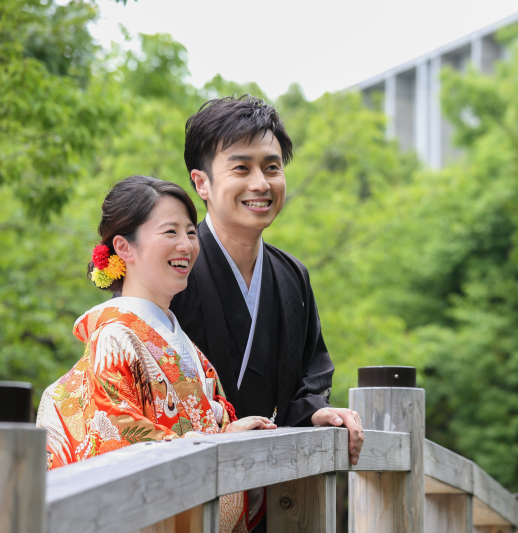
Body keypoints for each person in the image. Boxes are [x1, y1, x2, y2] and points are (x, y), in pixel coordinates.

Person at [36, 175, 272, 533]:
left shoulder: (184, 346)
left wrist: (232, 432)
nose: (186, 245)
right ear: (124, 247)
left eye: (191, 232)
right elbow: (116, 439)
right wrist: (219, 442)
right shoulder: (114, 340)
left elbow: (213, 426)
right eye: (170, 232)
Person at [170, 96, 365, 470]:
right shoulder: (171, 267)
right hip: (190, 483)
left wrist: (315, 412)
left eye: (271, 167)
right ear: (202, 183)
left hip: (273, 489)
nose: (260, 183)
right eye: (241, 168)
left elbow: (309, 377)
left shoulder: (293, 276)